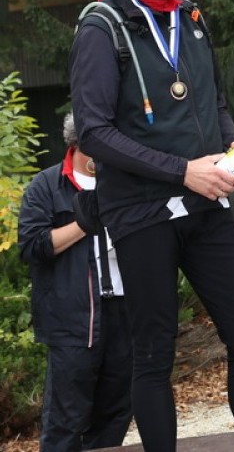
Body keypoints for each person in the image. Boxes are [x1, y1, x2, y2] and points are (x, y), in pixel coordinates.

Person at [69, 0, 234, 452]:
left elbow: (216, 99)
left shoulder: (190, 17)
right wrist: (181, 170)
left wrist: (230, 151)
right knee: (154, 352)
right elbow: (93, 132)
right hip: (141, 212)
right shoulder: (101, 28)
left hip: (207, 205)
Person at [18, 112, 132, 451]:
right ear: (76, 143)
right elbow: (32, 246)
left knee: (118, 410)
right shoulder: (47, 185)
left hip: (125, 311)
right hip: (73, 316)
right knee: (66, 419)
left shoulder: (127, 182)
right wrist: (84, 224)